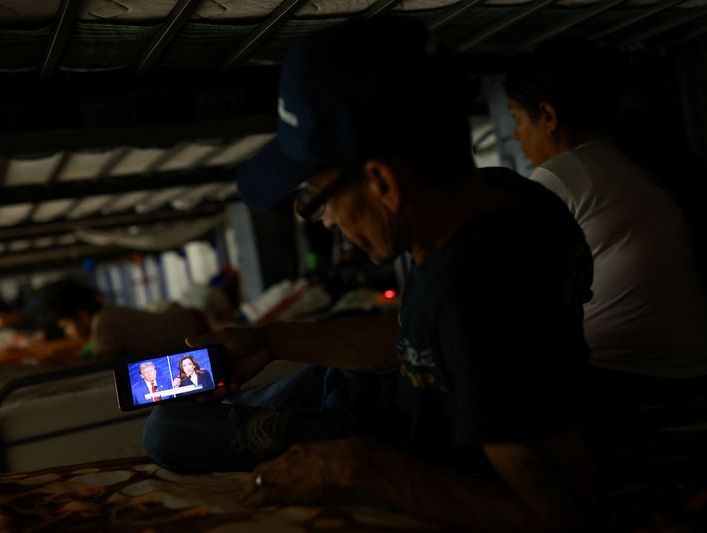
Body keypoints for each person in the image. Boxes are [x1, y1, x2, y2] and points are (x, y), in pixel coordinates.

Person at [144, 18, 595, 531]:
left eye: (317, 201)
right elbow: (421, 344)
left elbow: (560, 514)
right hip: (385, 391)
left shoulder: (467, 294)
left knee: (167, 430)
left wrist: (358, 465)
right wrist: (270, 340)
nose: (329, 222)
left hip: (391, 435)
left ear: (382, 182)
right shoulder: (510, 197)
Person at [504, 39, 707, 409]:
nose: (516, 135)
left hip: (634, 380)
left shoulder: (561, 174)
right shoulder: (637, 159)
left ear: (547, 116)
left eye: (516, 118)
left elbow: (514, 288)